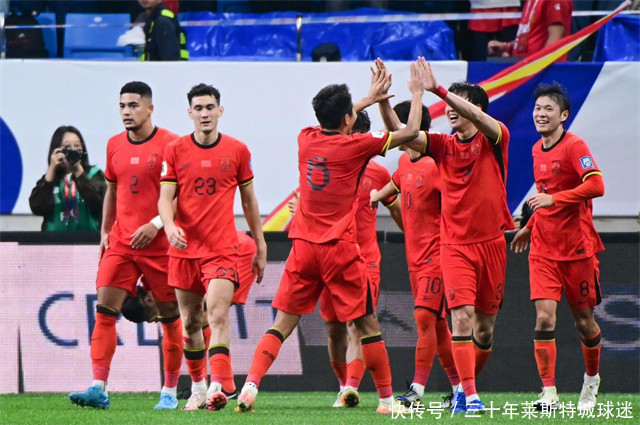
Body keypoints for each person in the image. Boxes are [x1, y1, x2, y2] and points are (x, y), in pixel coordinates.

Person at [235, 60, 426, 415]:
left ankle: (250, 386)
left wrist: (367, 99)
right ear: (348, 120)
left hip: (303, 249)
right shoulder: (357, 147)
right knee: (367, 325)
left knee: (282, 324)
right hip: (340, 249)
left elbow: (336, 118)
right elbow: (412, 131)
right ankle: (387, 401)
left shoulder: (305, 138)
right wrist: (416, 94)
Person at [379, 58, 513, 414]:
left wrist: (439, 90)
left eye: (459, 101)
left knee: (484, 330)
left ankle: (461, 390)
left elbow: (482, 120)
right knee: (461, 318)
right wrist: (385, 101)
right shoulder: (442, 145)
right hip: (453, 247)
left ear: (476, 108)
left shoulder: (496, 137)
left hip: (492, 245)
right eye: (449, 102)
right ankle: (469, 396)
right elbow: (403, 135)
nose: (451, 108)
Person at [68, 81, 184, 410]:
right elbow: (113, 191)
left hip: (160, 245)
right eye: (122, 106)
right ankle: (98, 387)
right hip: (121, 242)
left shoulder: (172, 144)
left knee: (170, 317)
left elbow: (180, 196)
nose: (126, 112)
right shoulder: (114, 144)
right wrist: (105, 231)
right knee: (105, 310)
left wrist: (156, 224)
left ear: (150, 108)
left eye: (133, 105)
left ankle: (169, 392)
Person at [158, 83, 267, 412]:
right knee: (191, 323)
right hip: (184, 250)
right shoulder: (175, 150)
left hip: (221, 248)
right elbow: (164, 198)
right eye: (198, 108)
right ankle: (199, 388)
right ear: (189, 113)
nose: (204, 113)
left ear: (221, 110)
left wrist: (260, 243)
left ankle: (218, 386)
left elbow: (249, 200)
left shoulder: (237, 150)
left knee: (218, 314)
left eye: (210, 107)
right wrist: (169, 226)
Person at [288, 111, 404, 409]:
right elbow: (303, 203)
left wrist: (418, 239)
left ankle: (352, 387)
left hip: (365, 259)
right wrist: (298, 210)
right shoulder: (323, 166)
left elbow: (397, 209)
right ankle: (344, 385)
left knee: (357, 325)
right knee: (334, 328)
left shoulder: (379, 173)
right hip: (330, 257)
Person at [511, 82, 605, 411]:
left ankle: (591, 381)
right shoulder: (536, 149)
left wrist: (554, 199)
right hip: (543, 249)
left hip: (577, 249)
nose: (541, 113)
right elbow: (545, 194)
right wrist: (530, 226)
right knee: (544, 318)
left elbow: (597, 185)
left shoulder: (575, 145)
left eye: (548, 109)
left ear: (563, 115)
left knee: (584, 322)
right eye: (537, 108)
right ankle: (549, 393)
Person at [370, 98, 460, 409]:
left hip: (438, 254)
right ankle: (460, 388)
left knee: (423, 316)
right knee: (437, 325)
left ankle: (416, 391)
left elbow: (459, 201)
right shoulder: (405, 163)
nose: (389, 132)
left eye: (394, 126)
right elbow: (395, 185)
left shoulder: (435, 166)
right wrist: (374, 196)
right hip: (414, 258)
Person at [30, 126, 106, 231]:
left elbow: (100, 204)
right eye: (67, 147)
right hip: (54, 239)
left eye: (77, 146)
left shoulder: (94, 175)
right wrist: (51, 169)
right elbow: (37, 208)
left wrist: (78, 170)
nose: (73, 151)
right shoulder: (50, 178)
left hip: (88, 238)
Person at [488, 0, 574, 61]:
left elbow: (556, 38)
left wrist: (538, 67)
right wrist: (507, 46)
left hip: (537, 72)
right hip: (524, 66)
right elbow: (530, 36)